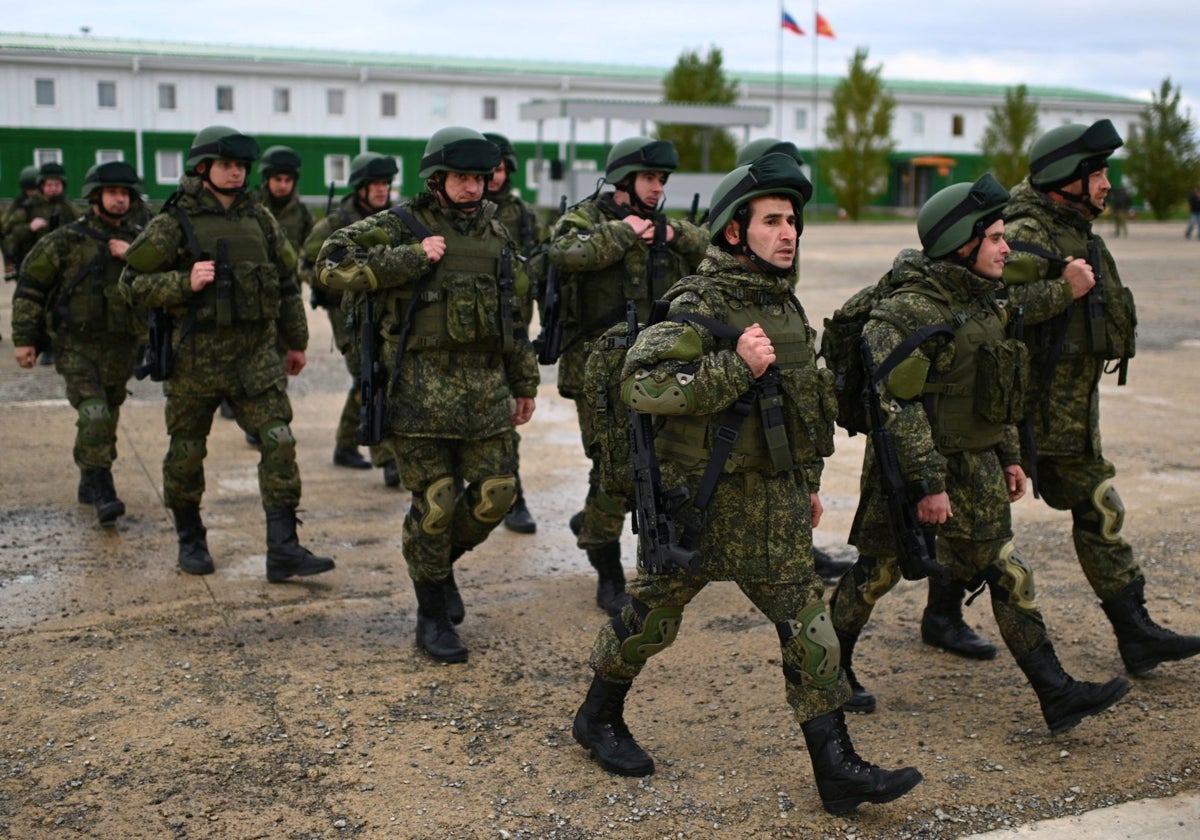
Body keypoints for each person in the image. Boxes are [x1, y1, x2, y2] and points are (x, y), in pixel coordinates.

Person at [571, 153, 923, 815]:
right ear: (734, 231)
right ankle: (597, 717)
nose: (788, 232)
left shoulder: (782, 306)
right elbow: (641, 386)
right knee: (648, 620)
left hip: (775, 503)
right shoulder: (697, 303)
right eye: (771, 221)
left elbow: (800, 407)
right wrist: (734, 368)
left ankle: (835, 766)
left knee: (809, 628)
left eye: (792, 220)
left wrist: (806, 481)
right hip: (702, 506)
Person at [828, 174, 1132, 738]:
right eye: (993, 237)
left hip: (979, 467)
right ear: (961, 243)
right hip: (912, 473)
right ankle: (828, 670)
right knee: (876, 574)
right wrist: (927, 483)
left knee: (1007, 571)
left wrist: (1012, 455)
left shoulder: (987, 302)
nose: (1005, 247)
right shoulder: (906, 311)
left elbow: (1002, 392)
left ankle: (1055, 692)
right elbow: (897, 406)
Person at [316, 127, 539, 664]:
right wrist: (409, 258)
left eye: (479, 178)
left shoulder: (497, 235)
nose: (472, 188)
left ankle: (437, 569)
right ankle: (431, 614)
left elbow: (512, 316)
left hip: (484, 396)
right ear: (437, 179)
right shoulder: (401, 225)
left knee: (497, 495)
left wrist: (525, 381)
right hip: (416, 397)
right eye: (461, 178)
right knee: (436, 503)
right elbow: (331, 261)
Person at [1003, 120, 1200, 674]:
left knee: (1099, 510)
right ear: (1068, 176)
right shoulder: (1023, 232)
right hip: (1019, 415)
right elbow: (994, 312)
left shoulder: (1076, 229)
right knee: (973, 528)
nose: (1107, 184)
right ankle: (937, 614)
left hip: (1070, 418)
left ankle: (1135, 633)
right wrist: (1064, 288)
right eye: (1098, 173)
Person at [120, 125, 334, 583]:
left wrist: (296, 342)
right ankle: (191, 538)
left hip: (255, 356)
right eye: (226, 165)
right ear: (203, 168)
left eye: (241, 167)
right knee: (186, 452)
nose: (236, 174)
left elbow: (285, 283)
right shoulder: (172, 223)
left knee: (279, 441)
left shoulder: (260, 220)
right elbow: (130, 285)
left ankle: (283, 548)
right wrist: (183, 282)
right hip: (195, 359)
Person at [547, 136, 708, 616]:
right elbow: (564, 252)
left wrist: (674, 236)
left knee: (660, 465)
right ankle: (607, 568)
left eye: (662, 180)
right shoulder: (587, 218)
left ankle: (623, 541)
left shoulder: (665, 226)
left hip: (653, 368)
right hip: (596, 371)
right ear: (623, 180)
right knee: (614, 471)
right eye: (650, 179)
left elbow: (711, 250)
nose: (658, 188)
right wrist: (625, 233)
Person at [10, 162, 147, 524]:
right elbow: (30, 287)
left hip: (122, 346)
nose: (120, 199)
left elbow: (162, 285)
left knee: (108, 413)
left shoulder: (141, 241)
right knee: (95, 412)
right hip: (76, 347)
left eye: (125, 193)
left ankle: (89, 473)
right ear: (95, 196)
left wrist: (132, 256)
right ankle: (103, 488)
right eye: (112, 192)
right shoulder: (66, 239)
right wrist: (25, 340)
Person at [299, 152, 402, 483]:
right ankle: (386, 459)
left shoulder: (395, 219)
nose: (381, 190)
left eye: (386, 184)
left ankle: (345, 445)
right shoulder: (336, 222)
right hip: (345, 313)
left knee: (369, 377)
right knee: (368, 376)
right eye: (375, 184)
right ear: (360, 187)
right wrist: (342, 278)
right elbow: (306, 264)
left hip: (382, 311)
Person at [483, 132, 544, 535]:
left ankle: (513, 496)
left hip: (511, 332)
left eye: (500, 168)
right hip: (467, 333)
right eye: (486, 169)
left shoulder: (523, 215)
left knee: (508, 416)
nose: (493, 177)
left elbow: (540, 268)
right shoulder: (462, 215)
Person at [2, 165, 41, 280]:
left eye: (35, 189)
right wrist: (8, 263)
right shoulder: (18, 206)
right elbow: (6, 233)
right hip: (22, 254)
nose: (32, 193)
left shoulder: (46, 203)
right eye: (29, 190)